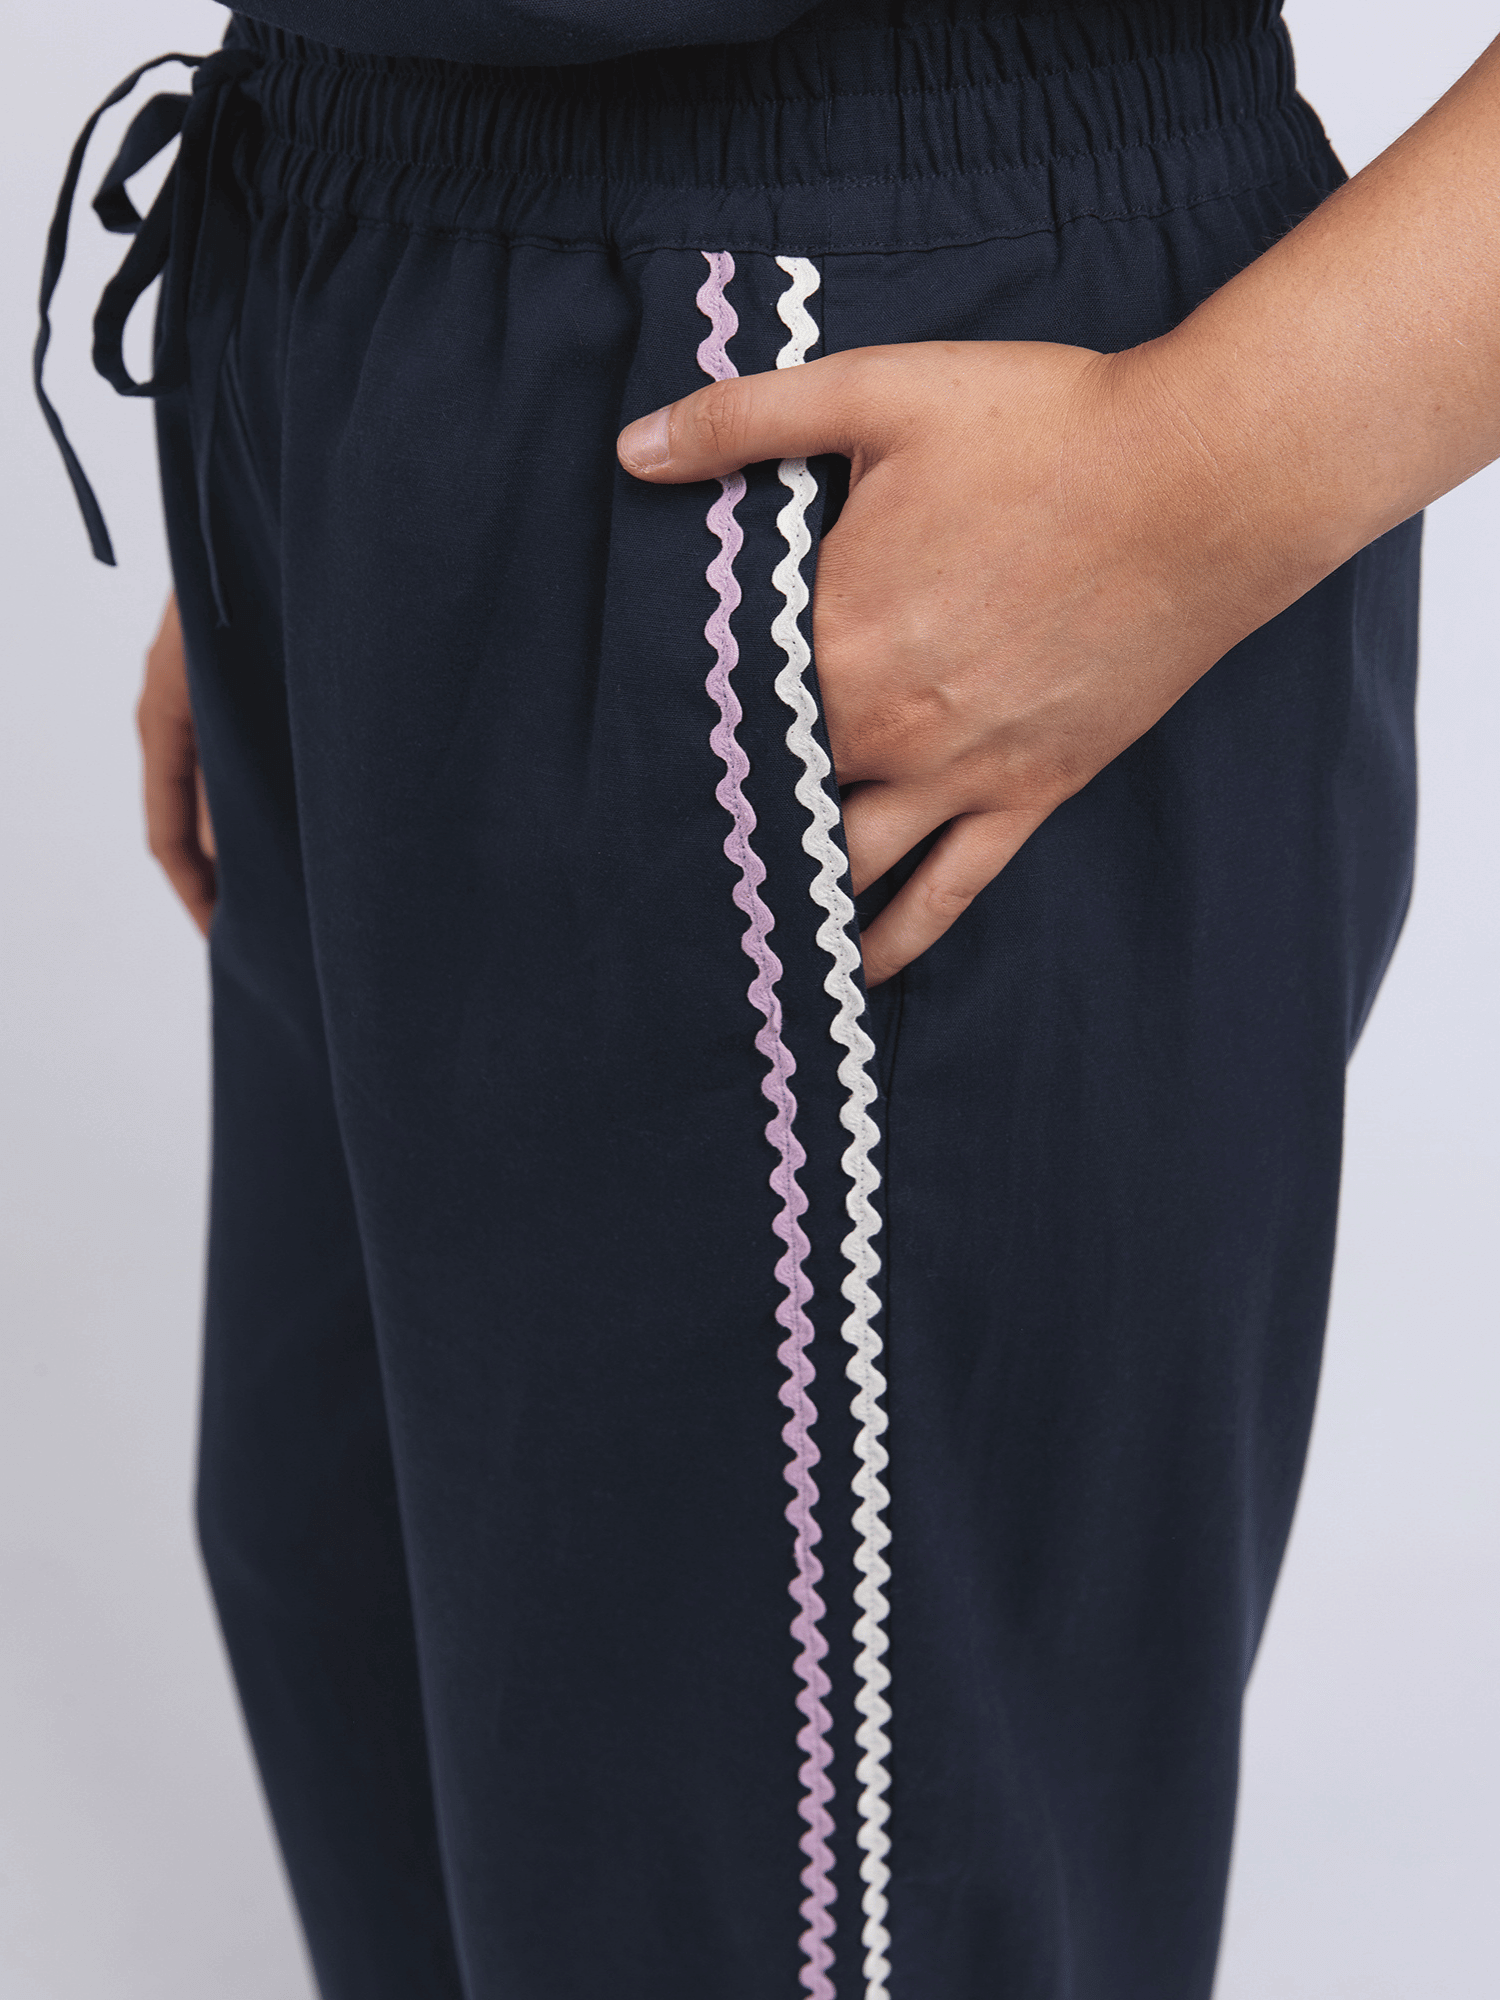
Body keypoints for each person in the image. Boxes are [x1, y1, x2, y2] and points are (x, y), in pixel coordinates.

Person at [33, 2, 1499, 1997]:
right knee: (381, 1709)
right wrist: (350, 474)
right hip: (364, 281)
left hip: (841, 371)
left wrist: (1193, 477)